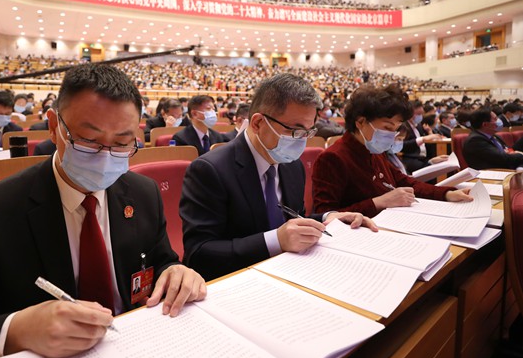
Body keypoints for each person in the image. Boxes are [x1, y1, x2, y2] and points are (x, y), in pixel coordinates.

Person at [0, 64, 206, 358]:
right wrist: (18, 329)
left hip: (137, 355)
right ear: (55, 127)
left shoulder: (142, 193)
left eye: (122, 143)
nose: (105, 157)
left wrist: (176, 272)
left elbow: (160, 261)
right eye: (88, 140)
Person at [180, 74, 375, 281]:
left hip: (290, 273)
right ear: (257, 123)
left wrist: (328, 218)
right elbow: (199, 254)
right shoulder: (210, 170)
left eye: (308, 132)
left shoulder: (292, 166)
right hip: (239, 282)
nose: (302, 141)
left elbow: (292, 221)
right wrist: (275, 241)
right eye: (296, 130)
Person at [311, 84, 472, 218]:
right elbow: (324, 215)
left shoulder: (374, 150)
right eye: (387, 127)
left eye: (395, 129)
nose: (391, 135)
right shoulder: (333, 157)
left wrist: (446, 194)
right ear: (360, 122)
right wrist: (379, 202)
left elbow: (405, 182)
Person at [400, 100, 443, 174]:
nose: (420, 116)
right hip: (410, 158)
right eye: (418, 114)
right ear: (409, 114)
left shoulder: (418, 125)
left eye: (421, 114)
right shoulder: (403, 126)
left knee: (442, 164)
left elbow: (426, 142)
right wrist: (422, 139)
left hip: (423, 157)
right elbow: (401, 145)